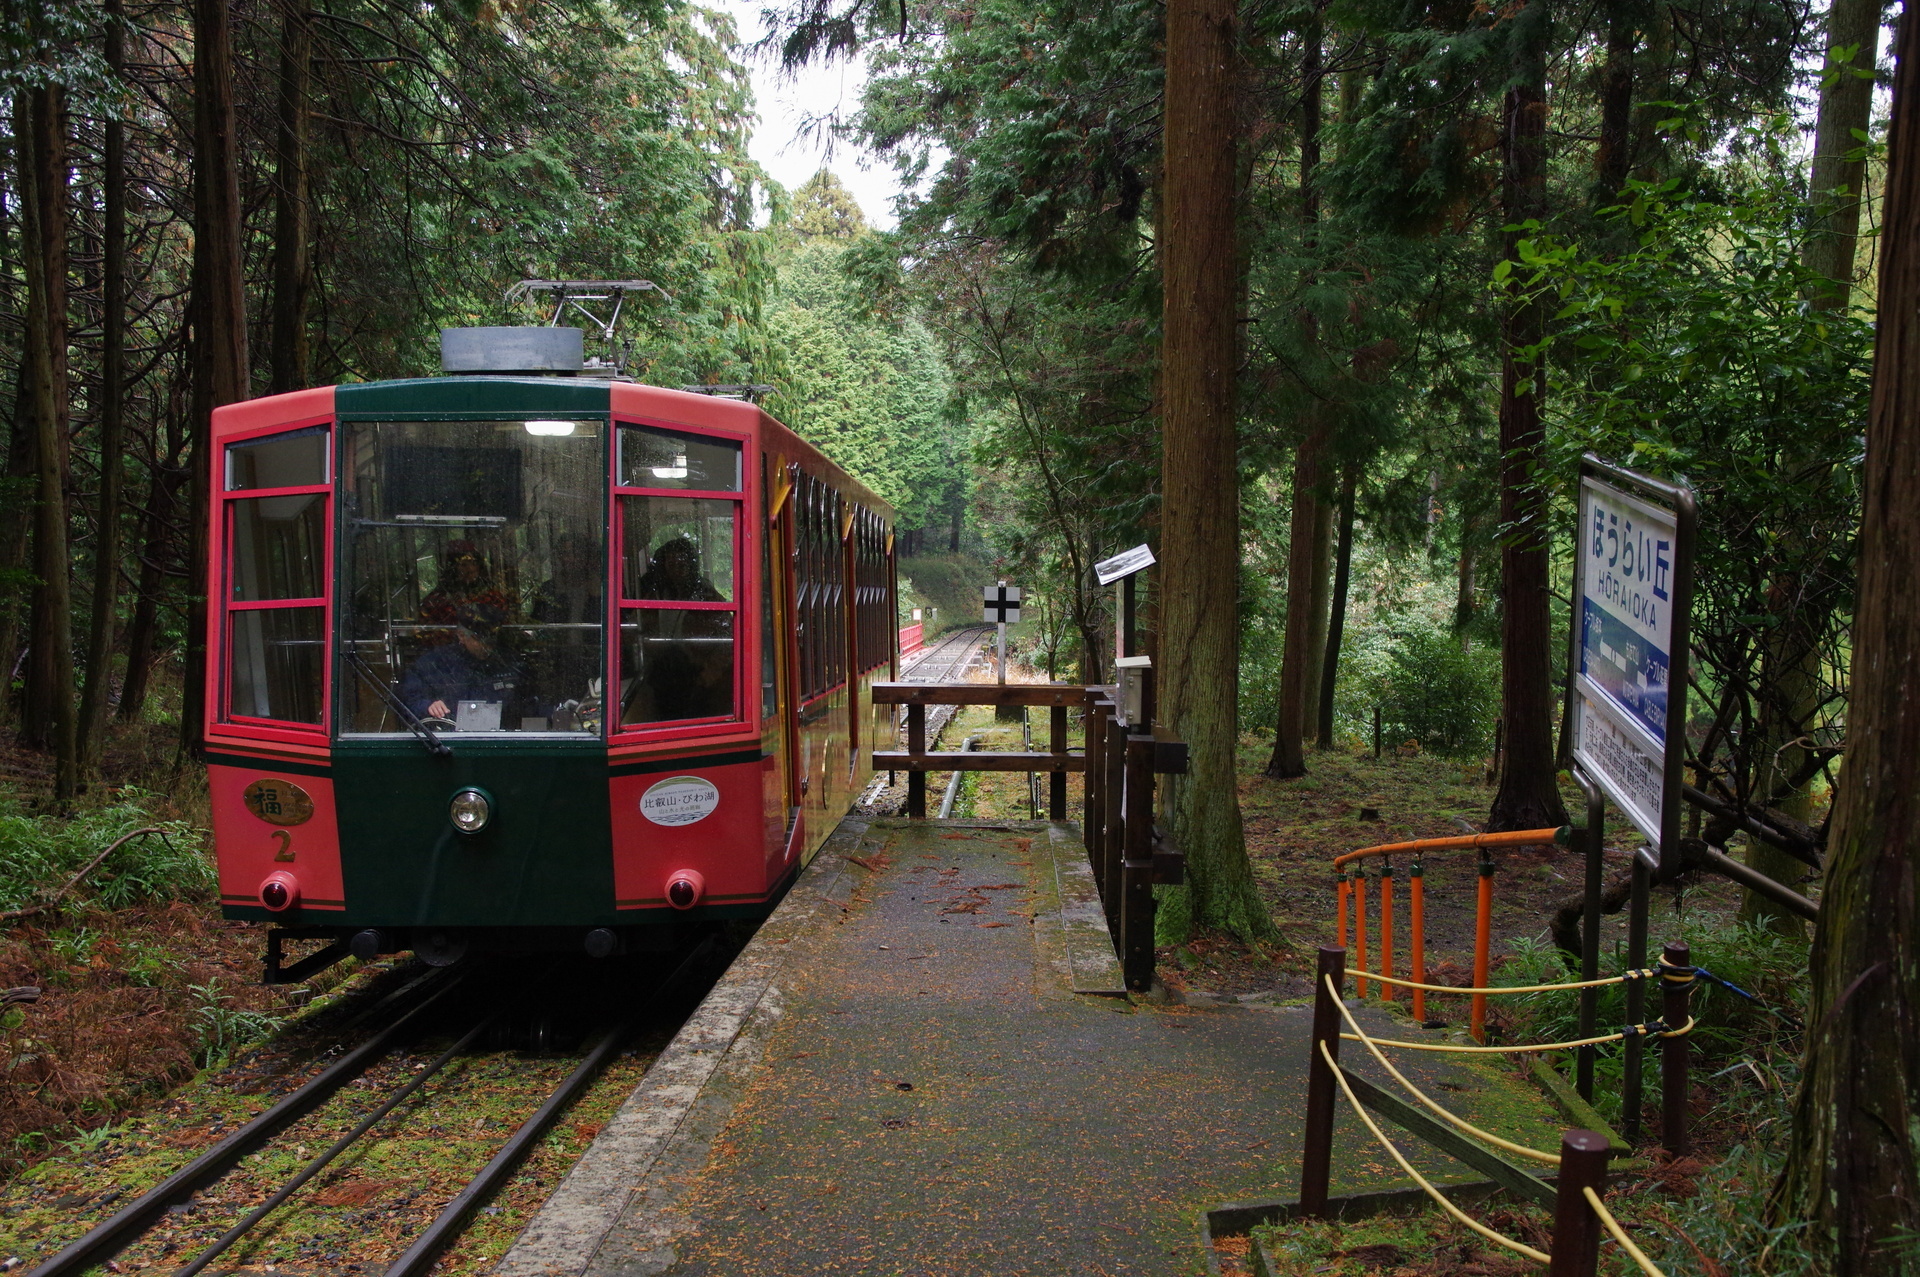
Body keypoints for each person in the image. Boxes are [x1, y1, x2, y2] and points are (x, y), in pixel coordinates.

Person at [399, 603, 529, 725]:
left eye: (492, 638)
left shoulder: (509, 663)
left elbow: (530, 703)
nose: (488, 645)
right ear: (461, 636)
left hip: (504, 739)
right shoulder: (434, 664)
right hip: (449, 739)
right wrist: (428, 706)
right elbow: (408, 701)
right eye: (481, 639)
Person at [418, 540, 512, 647]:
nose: (470, 569)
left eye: (474, 564)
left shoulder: (493, 597)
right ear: (453, 569)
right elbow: (426, 633)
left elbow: (504, 629)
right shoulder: (436, 600)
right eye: (463, 565)